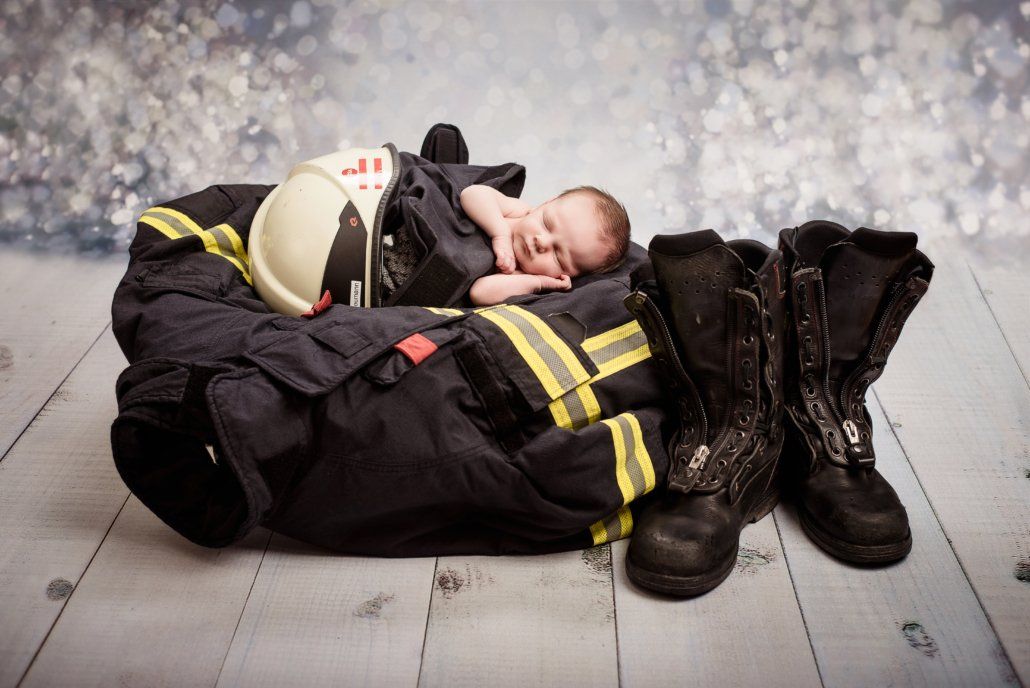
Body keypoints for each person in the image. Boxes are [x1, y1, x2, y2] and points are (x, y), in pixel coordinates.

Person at [459, 184, 631, 306]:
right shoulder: (520, 212)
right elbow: (472, 194)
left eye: (557, 255)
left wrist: (538, 282)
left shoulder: (520, 276)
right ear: (546, 203)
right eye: (546, 223)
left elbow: (479, 293)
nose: (542, 242)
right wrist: (500, 234)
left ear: (565, 275)